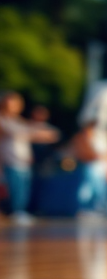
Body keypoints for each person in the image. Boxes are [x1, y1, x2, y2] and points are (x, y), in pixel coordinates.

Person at [0, 91, 60, 224]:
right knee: (13, 189)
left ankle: (20, 211)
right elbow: (19, 132)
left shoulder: (19, 121)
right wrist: (35, 133)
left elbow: (48, 134)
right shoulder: (3, 120)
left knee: (23, 188)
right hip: (9, 161)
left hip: (22, 161)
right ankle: (14, 212)